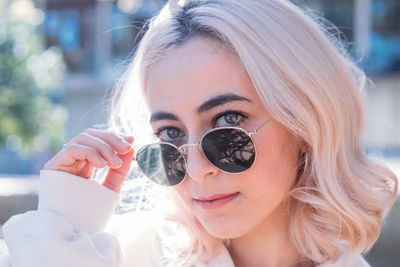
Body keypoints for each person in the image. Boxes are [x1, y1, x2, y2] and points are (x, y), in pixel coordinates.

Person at [0, 0, 398, 266]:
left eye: (228, 122)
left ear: (306, 122)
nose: (195, 168)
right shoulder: (122, 255)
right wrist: (61, 229)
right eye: (170, 133)